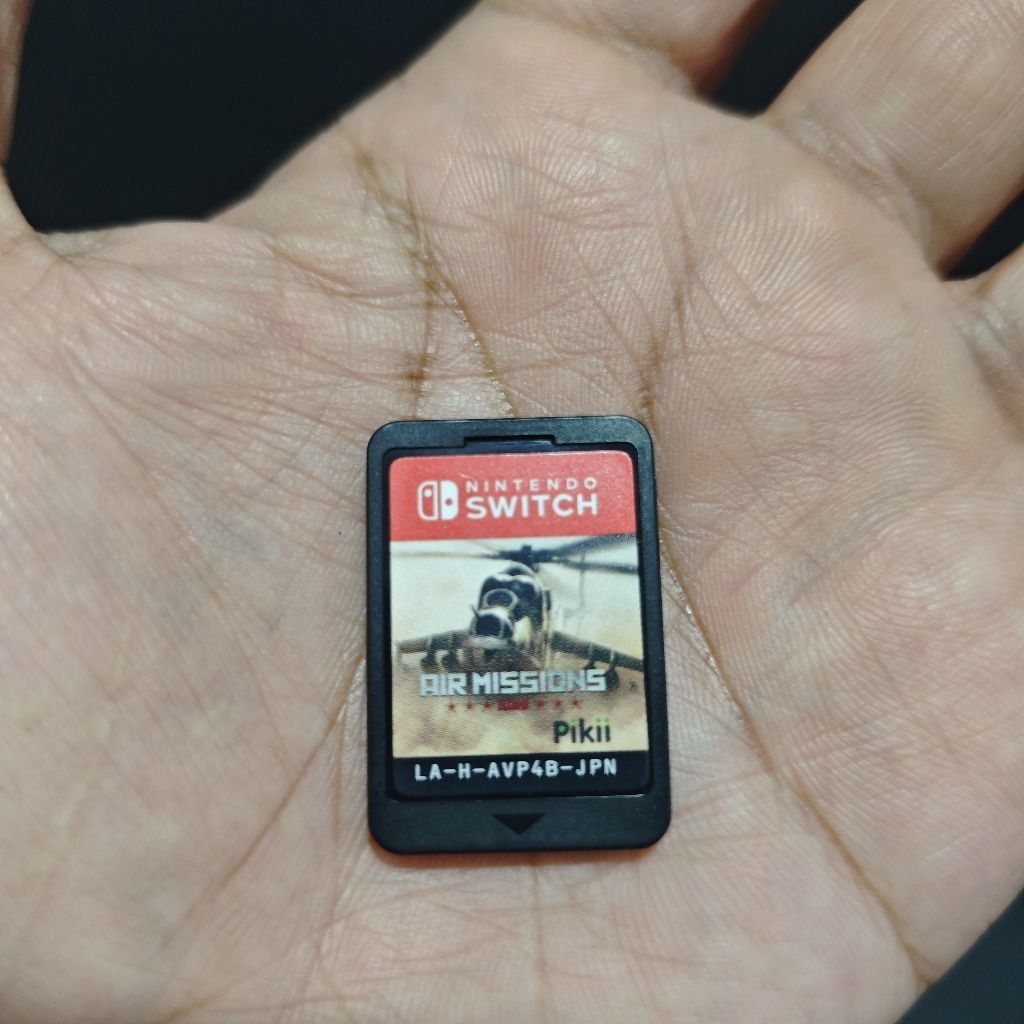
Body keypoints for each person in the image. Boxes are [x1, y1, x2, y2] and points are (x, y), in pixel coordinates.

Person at [1, 0, 1022, 1020]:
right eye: (494, 603)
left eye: (510, 605)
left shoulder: (578, 660)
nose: (496, 616)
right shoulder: (451, 659)